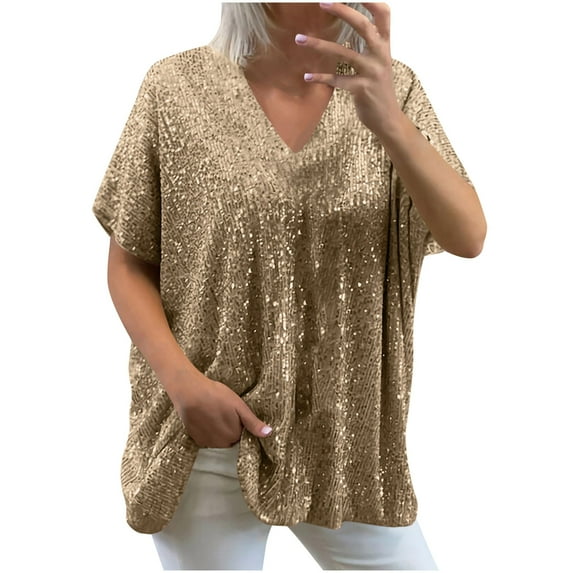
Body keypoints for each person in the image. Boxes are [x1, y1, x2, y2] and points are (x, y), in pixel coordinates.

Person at [92, 1, 486, 570]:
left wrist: (390, 124)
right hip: (209, 436)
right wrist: (184, 386)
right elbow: (130, 262)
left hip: (346, 445)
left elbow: (468, 236)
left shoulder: (388, 87)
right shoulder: (175, 89)